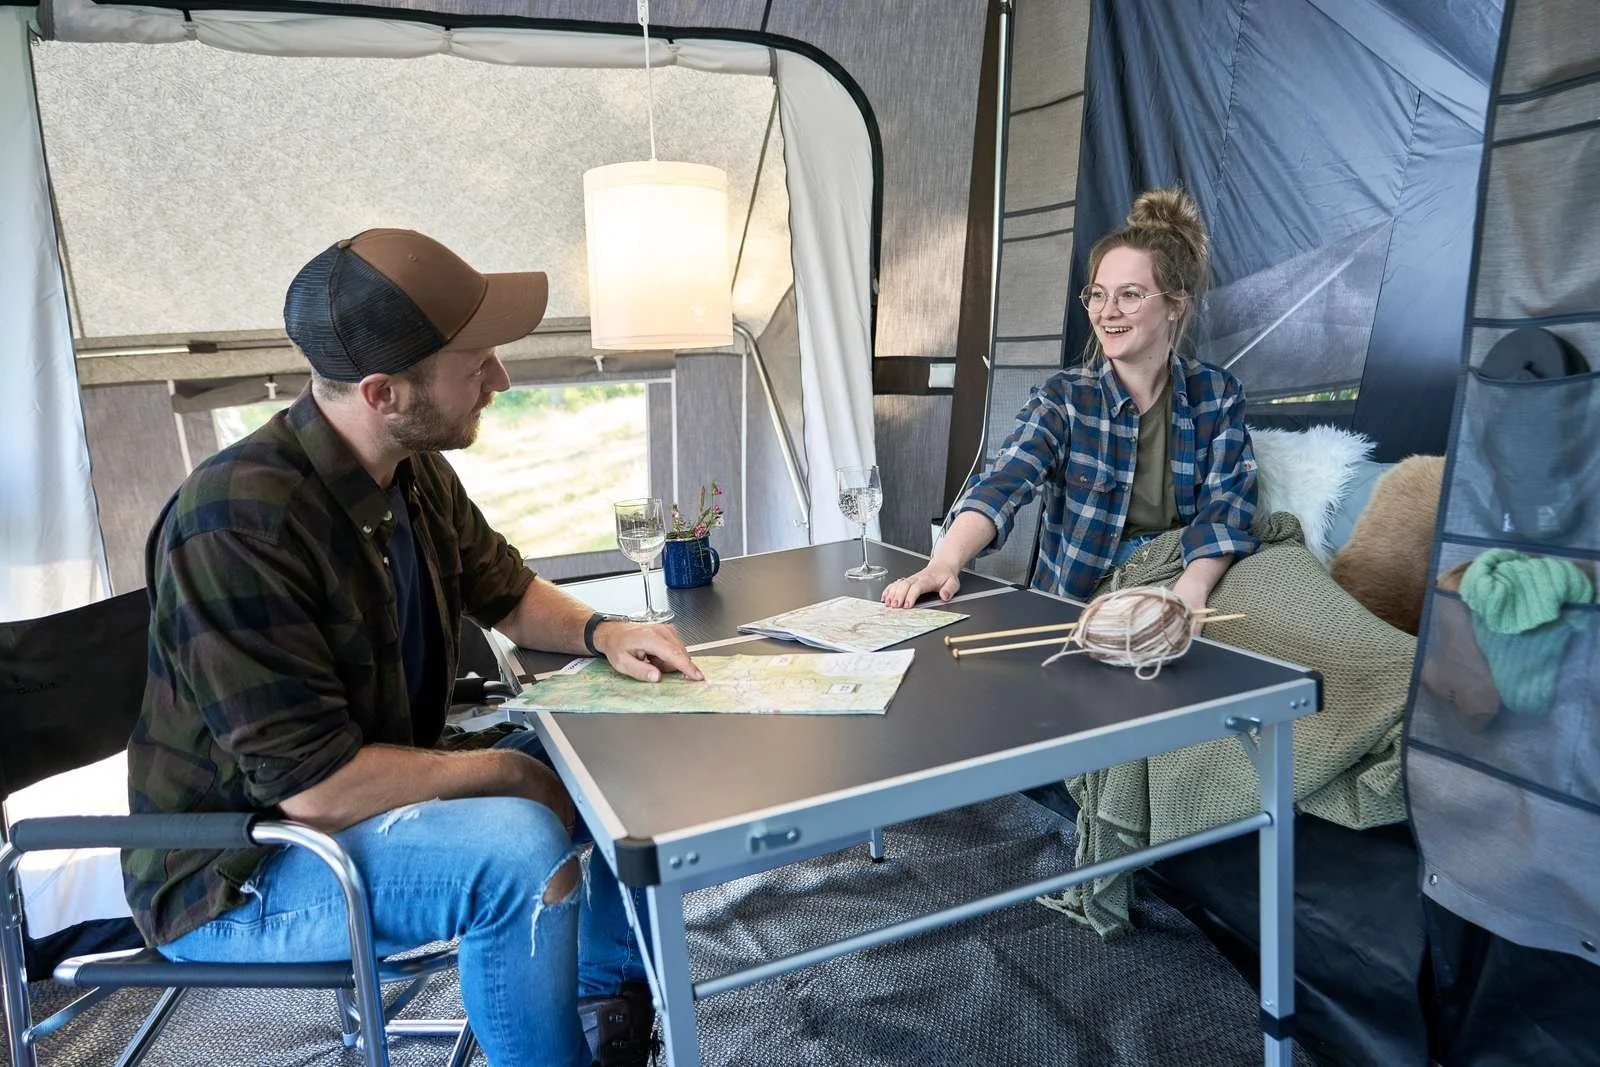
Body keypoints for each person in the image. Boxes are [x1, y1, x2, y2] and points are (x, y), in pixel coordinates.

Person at [123, 228, 703, 1067]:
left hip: (363, 788)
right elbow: (317, 790)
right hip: (243, 867)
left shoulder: (412, 467)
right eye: (477, 364)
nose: (500, 379)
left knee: (618, 754)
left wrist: (604, 632)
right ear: (383, 391)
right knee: (518, 852)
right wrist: (515, 774)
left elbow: (505, 589)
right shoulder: (235, 523)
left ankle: (603, 1003)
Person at [883, 186, 1258, 613]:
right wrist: (944, 562)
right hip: (1096, 591)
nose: (1107, 310)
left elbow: (1226, 510)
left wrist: (1190, 592)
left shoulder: (1217, 394)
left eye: (1130, 295)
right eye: (1098, 294)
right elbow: (1003, 484)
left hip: (1192, 571)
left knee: (1301, 608)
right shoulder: (1064, 399)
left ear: (1175, 305)